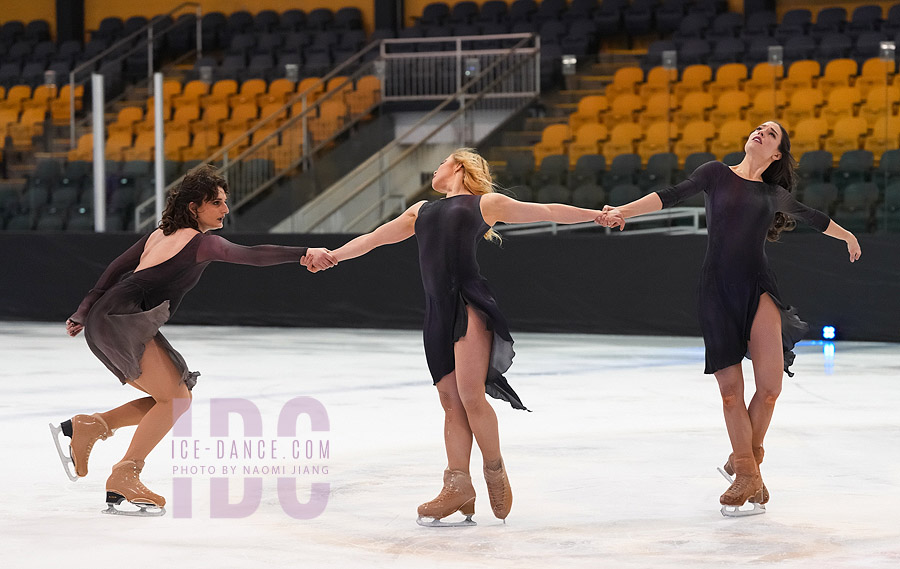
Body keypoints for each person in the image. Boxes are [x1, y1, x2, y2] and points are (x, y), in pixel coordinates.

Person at [303, 148, 605, 526]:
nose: (435, 168)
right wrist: (333, 256)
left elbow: (546, 210)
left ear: (459, 166)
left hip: (467, 301)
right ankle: (458, 484)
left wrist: (597, 214)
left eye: (442, 162)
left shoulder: (484, 204)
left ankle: (493, 470)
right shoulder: (421, 211)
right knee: (449, 400)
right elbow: (375, 238)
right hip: (436, 310)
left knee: (470, 395)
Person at [596, 121, 861, 516]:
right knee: (731, 393)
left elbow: (814, 218)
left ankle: (745, 462)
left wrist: (848, 236)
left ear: (776, 154)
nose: (761, 132)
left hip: (759, 288)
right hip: (716, 291)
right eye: (759, 128)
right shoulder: (715, 173)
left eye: (771, 134)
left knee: (769, 389)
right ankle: (747, 473)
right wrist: (624, 211)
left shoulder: (773, 194)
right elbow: (669, 195)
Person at [50, 164, 335, 516]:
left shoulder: (158, 234)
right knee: (175, 400)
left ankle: (92, 427)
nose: (225, 209)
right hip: (121, 321)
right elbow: (251, 255)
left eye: (224, 201)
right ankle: (124, 472)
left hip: (109, 319)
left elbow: (113, 271)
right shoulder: (202, 243)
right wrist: (303, 253)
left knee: (173, 398)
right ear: (193, 207)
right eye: (216, 203)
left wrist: (84, 310)